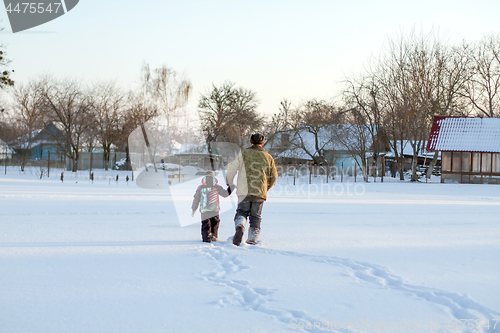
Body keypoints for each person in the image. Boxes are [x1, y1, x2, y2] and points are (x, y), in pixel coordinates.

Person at [226, 133, 277, 246]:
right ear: (262, 143)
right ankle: (252, 240)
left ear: (250, 142)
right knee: (255, 216)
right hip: (259, 192)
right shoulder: (268, 157)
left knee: (242, 212)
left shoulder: (243, 153)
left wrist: (230, 183)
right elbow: (274, 177)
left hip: (243, 190)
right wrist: (265, 188)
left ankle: (240, 226)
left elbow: (231, 170)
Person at [191, 171, 232, 243]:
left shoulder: (200, 188)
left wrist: (194, 209)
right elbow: (225, 194)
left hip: (204, 210)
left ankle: (206, 238)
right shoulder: (217, 187)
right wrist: (231, 187)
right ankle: (214, 236)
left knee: (205, 224)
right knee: (215, 223)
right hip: (214, 209)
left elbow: (196, 199)